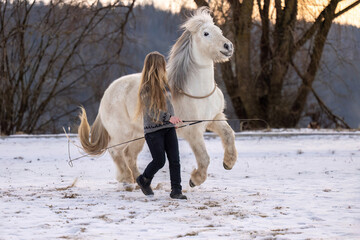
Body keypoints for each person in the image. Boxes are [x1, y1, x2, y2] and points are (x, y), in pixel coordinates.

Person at [134, 51, 187, 200]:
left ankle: (176, 190)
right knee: (159, 160)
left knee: (175, 160)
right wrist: (168, 118)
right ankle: (144, 179)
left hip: (168, 129)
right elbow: (151, 111)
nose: (164, 68)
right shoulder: (145, 88)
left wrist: (173, 120)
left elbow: (169, 107)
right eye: (162, 65)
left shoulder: (165, 86)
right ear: (155, 67)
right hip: (153, 130)